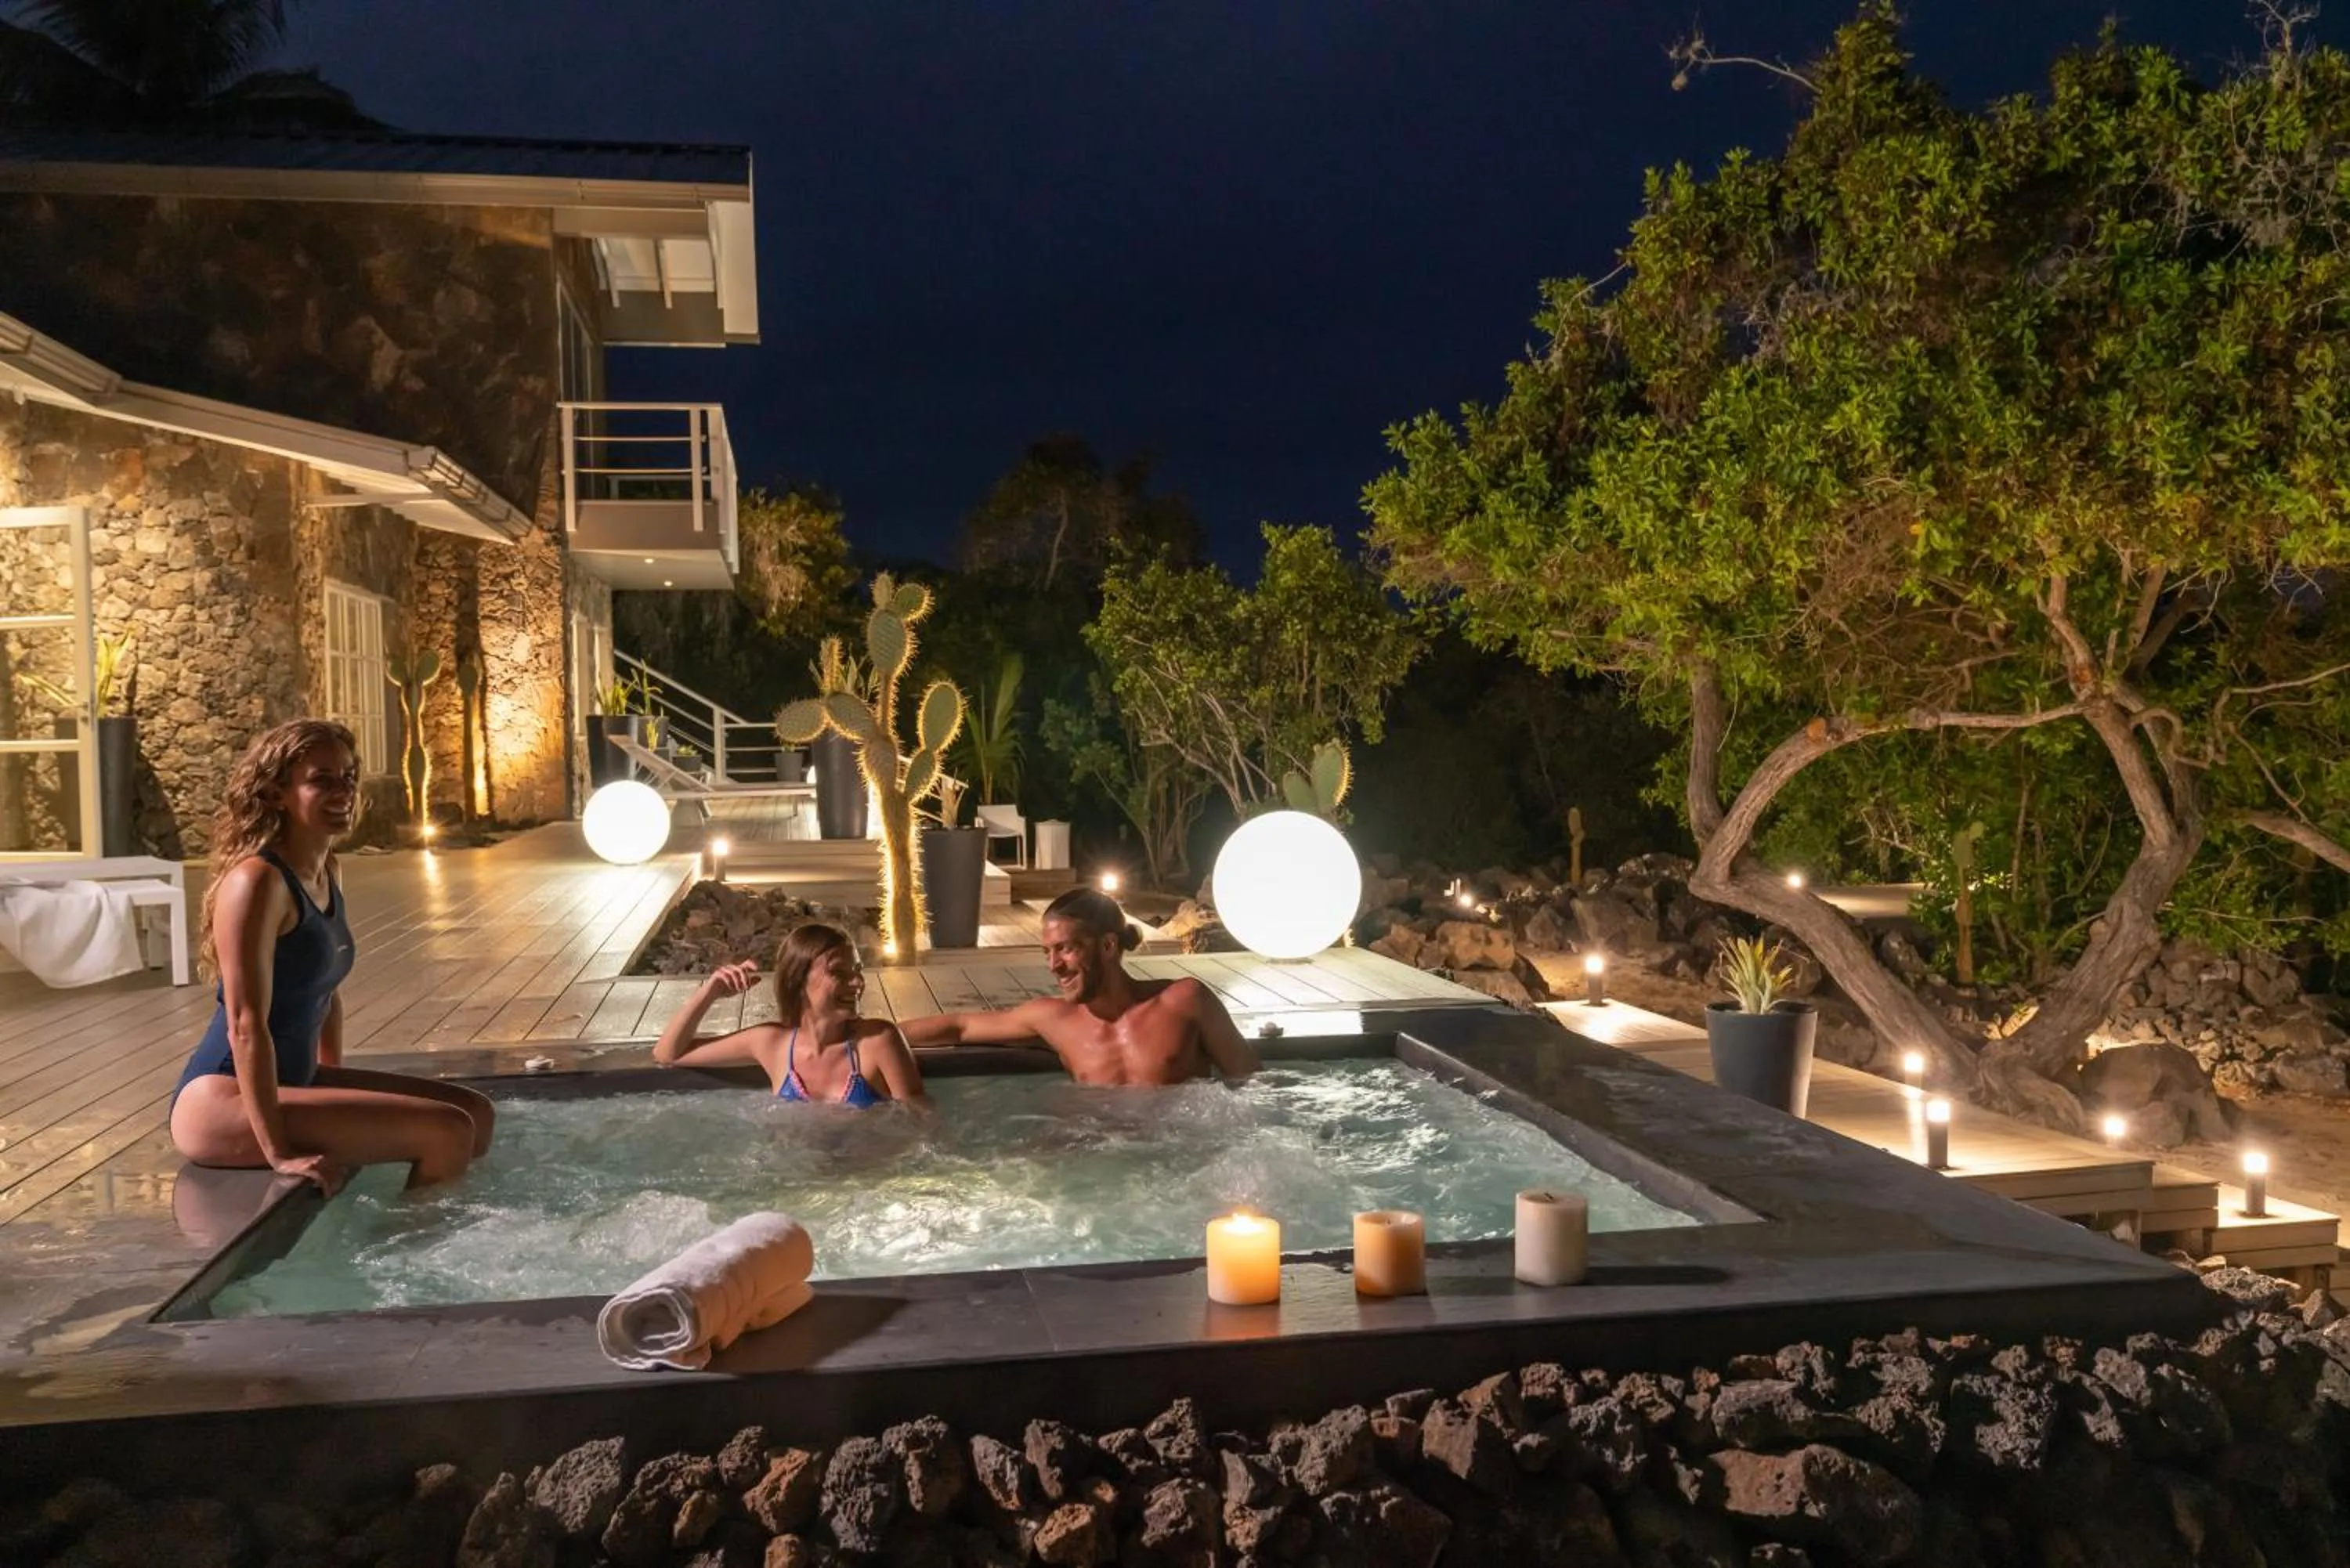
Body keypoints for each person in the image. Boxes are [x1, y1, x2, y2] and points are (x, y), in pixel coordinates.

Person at [170, 719, 494, 1196]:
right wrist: (279, 1150)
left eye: (348, 777)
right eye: (321, 780)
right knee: (448, 1130)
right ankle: (409, 1252)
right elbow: (244, 1024)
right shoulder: (257, 882)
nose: (343, 791)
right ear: (278, 793)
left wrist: (335, 1086)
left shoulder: (326, 870)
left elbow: (326, 992)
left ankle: (423, 1223)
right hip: (223, 1099)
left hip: (293, 1082)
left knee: (477, 1116)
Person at [899, 888, 1260, 1086]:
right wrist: (862, 1037)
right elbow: (959, 1027)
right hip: (1099, 1169)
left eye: (1066, 949)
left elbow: (1251, 1085)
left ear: (1107, 946)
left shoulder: (1184, 1001)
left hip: (1179, 1169)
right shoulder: (1053, 1019)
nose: (1054, 965)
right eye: (1048, 952)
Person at [654, 922, 925, 1105]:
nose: (857, 983)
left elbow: (919, 1126)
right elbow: (669, 1054)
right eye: (839, 973)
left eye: (857, 971)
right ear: (799, 981)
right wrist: (710, 992)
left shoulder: (878, 1042)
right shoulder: (771, 1044)